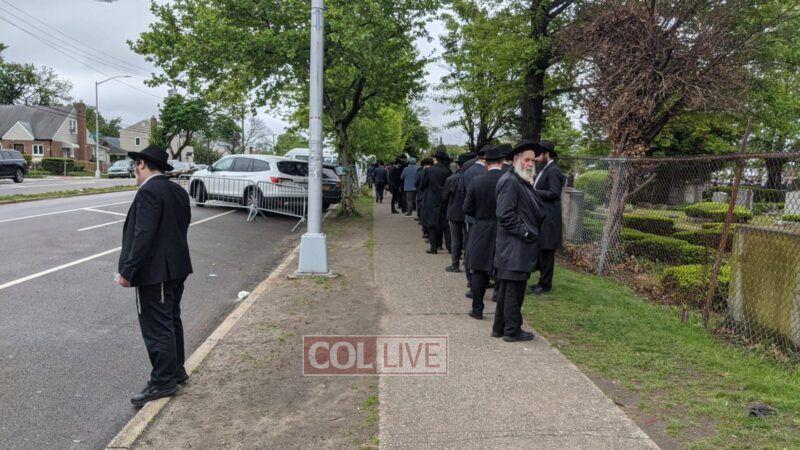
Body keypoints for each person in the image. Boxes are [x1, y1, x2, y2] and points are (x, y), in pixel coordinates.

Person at [117, 145, 193, 407]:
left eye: (135, 165)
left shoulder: (149, 191)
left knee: (157, 327)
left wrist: (128, 270)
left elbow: (143, 235)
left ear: (142, 164)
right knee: (171, 320)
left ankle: (162, 382)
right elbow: (181, 226)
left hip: (156, 272)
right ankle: (176, 371)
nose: (134, 171)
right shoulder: (177, 190)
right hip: (177, 268)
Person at [492, 140, 544, 342]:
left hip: (516, 248)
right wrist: (526, 233)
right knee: (514, 291)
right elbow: (504, 215)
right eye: (526, 160)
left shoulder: (520, 180)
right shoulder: (511, 181)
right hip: (515, 247)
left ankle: (501, 327)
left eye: (533, 160)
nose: (530, 164)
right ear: (515, 160)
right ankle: (512, 330)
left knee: (508, 290)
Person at [463, 145, 506, 319]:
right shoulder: (509, 180)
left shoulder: (477, 181)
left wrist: (480, 217)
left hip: (481, 228)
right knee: (503, 269)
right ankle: (499, 303)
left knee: (479, 269)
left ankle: (477, 309)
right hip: (503, 228)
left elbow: (467, 207)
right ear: (502, 162)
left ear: (486, 163)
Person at [530, 141, 565, 295]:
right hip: (544, 217)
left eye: (539, 155)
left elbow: (554, 193)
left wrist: (533, 191)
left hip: (550, 219)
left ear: (546, 154)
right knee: (543, 251)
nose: (536, 158)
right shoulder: (546, 169)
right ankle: (541, 281)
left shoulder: (553, 171)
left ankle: (545, 284)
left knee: (547, 253)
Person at [459, 146, 489, 297]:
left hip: (472, 217)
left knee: (471, 248)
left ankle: (472, 281)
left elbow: (463, 191)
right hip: (489, 217)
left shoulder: (468, 171)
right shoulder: (489, 171)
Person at [442, 153, 474, 272]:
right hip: (468, 213)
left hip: (454, 211)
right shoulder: (472, 177)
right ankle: (467, 263)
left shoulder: (452, 178)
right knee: (468, 239)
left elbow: (444, 196)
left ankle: (455, 264)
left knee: (455, 239)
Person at [419, 151, 452, 254]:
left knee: (431, 224)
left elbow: (422, 186)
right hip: (444, 199)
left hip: (431, 199)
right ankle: (450, 247)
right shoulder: (448, 171)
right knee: (445, 224)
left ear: (435, 159)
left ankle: (434, 247)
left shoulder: (428, 170)